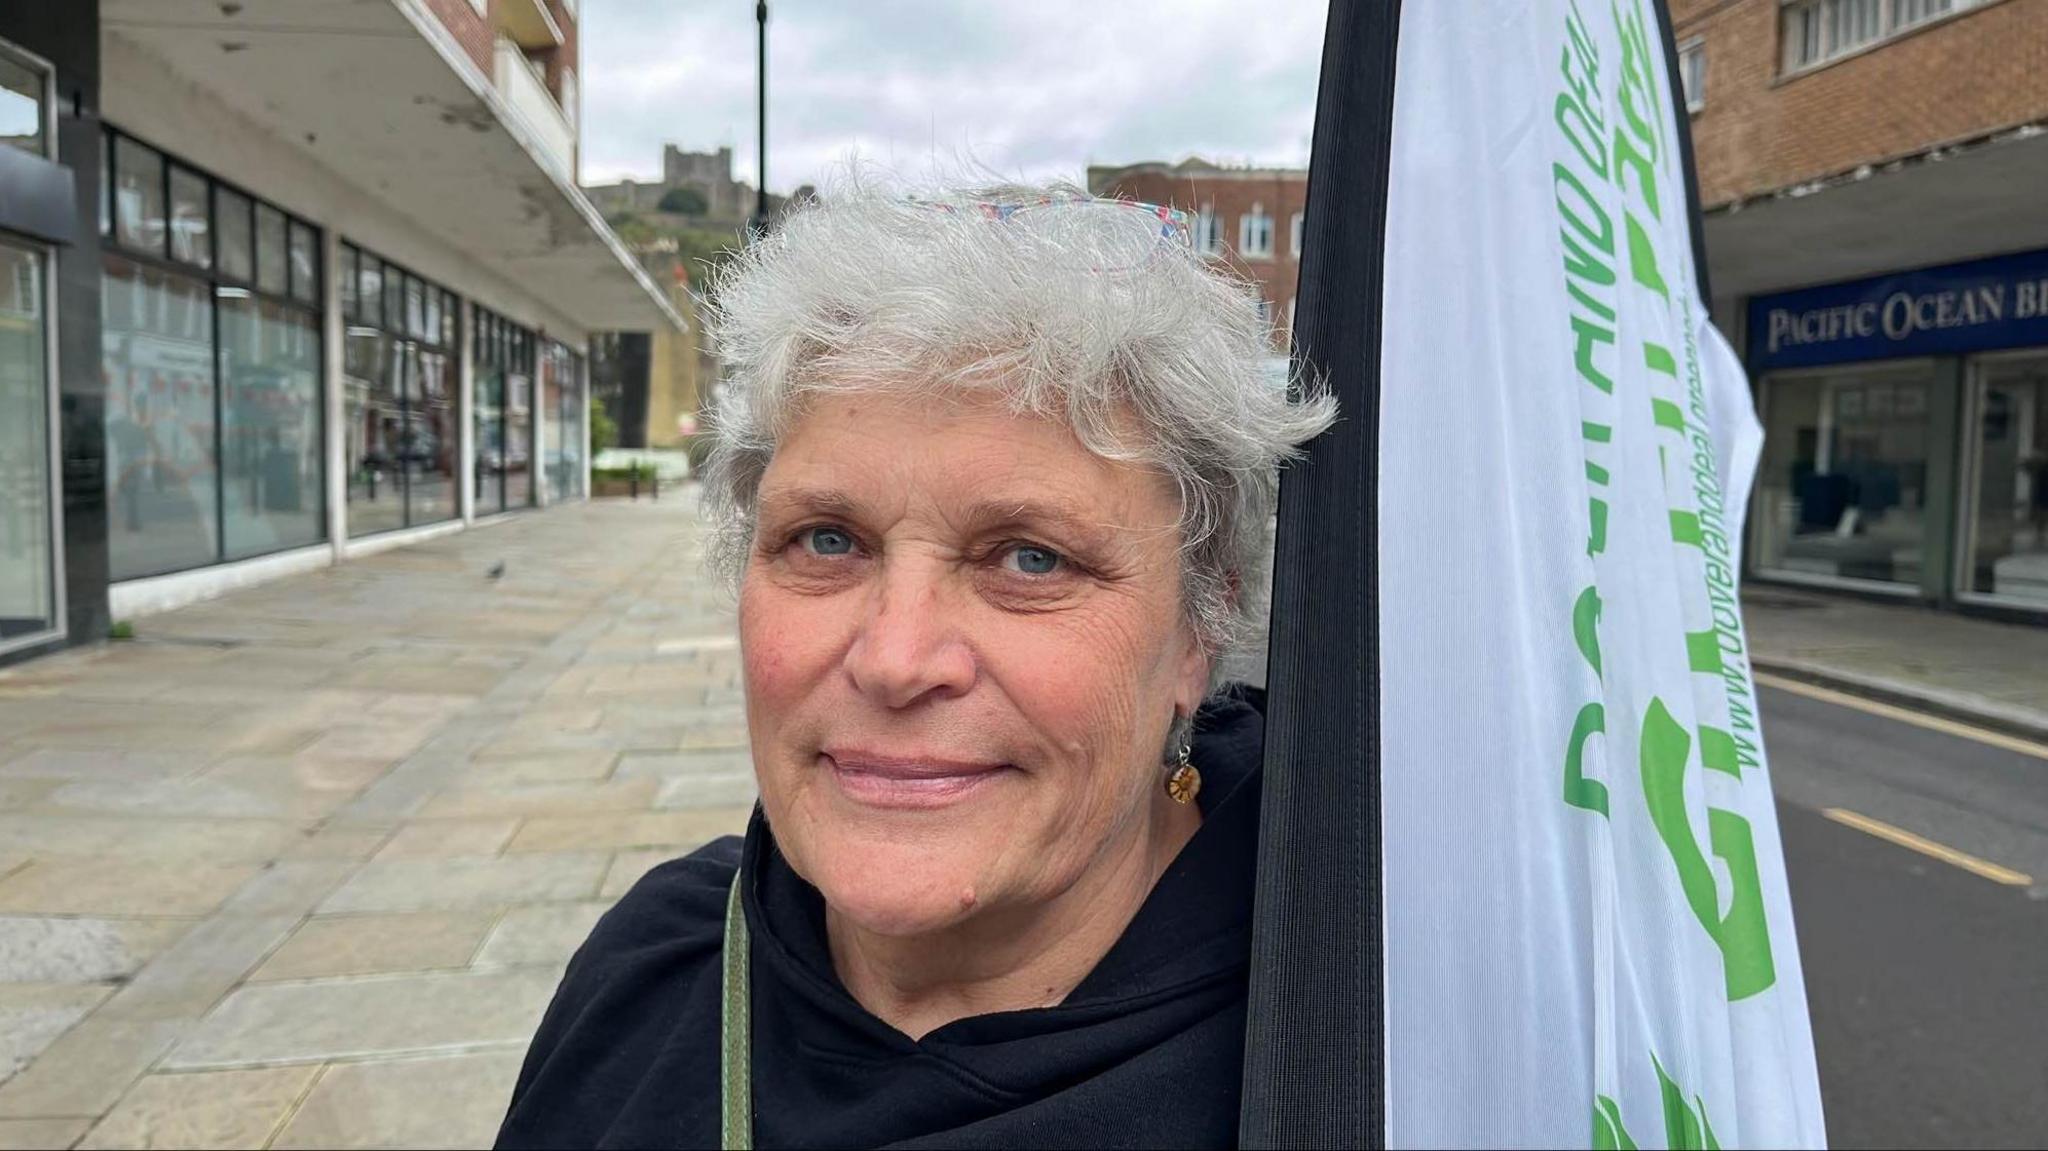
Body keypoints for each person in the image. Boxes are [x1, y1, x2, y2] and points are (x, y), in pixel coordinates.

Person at [496, 180, 1335, 1149]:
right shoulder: (654, 972)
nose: (895, 659)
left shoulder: (1350, 1034)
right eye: (824, 541)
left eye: (1029, 557)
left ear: (1203, 618)